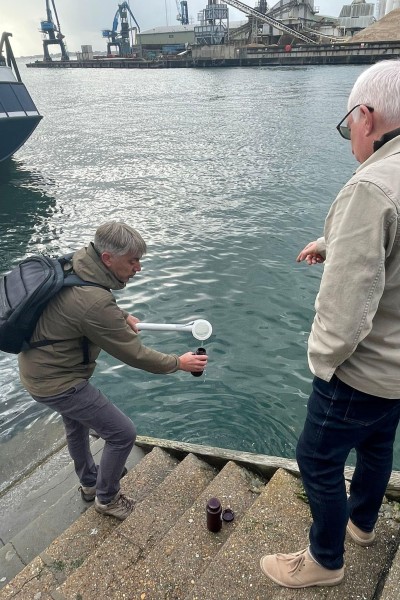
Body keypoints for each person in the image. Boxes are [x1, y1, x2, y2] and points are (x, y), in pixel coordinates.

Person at [260, 59, 400, 588]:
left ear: (366, 117)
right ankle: (363, 523)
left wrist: (322, 364)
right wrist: (333, 243)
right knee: (379, 445)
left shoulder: (371, 187)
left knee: (315, 458)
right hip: (398, 374)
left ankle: (325, 560)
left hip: (361, 373)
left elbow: (347, 310)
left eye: (348, 128)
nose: (349, 143)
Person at [18, 221, 208, 520]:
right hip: (59, 380)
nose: (138, 268)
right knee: (122, 433)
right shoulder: (95, 303)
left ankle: (90, 482)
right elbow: (135, 354)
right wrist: (178, 363)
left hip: (37, 368)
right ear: (108, 258)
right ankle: (107, 498)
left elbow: (74, 299)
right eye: (132, 261)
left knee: (76, 426)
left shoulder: (75, 260)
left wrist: (121, 313)